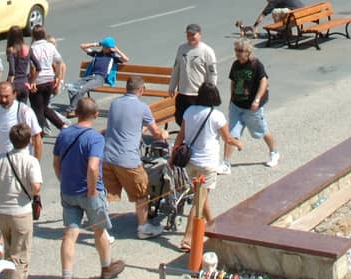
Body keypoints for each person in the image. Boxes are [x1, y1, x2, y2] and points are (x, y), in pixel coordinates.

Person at [53, 96, 124, 279]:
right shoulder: (95, 138)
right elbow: (93, 167)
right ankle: (106, 267)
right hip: (90, 192)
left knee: (70, 233)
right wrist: (92, 190)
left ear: (76, 113)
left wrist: (63, 181)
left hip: (68, 192)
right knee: (99, 229)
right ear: (95, 114)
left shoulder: (64, 134)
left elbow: (56, 164)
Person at [175, 86, 241, 248]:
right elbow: (227, 139)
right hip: (207, 164)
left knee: (201, 195)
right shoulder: (217, 116)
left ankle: (212, 225)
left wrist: (172, 156)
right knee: (199, 201)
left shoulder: (189, 112)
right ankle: (187, 238)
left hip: (190, 162)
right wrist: (238, 143)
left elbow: (180, 136)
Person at [0, 122, 41, 279]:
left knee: (9, 249)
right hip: (21, 211)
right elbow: (35, 186)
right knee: (20, 253)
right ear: (29, 141)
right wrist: (35, 195)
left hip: (1, 210)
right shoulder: (31, 161)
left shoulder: (1, 158)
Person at [103, 74, 167, 237]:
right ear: (141, 90)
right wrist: (163, 133)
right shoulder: (142, 107)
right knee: (142, 191)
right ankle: (143, 227)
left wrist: (140, 130)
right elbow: (156, 132)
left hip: (108, 156)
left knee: (108, 194)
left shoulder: (115, 104)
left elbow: (122, 127)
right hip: (127, 159)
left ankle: (101, 228)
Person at [227, 40, 278, 168]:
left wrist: (257, 100)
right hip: (236, 105)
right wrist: (231, 99)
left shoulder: (256, 65)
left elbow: (264, 82)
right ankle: (225, 163)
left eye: (240, 51)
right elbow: (233, 82)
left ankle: (274, 152)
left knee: (262, 131)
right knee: (232, 134)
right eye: (236, 50)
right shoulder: (235, 64)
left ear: (248, 52)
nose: (237, 54)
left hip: (252, 107)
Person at [168, 23, 217, 125]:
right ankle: (185, 138)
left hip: (198, 94)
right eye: (188, 35)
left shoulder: (207, 51)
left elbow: (212, 73)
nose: (190, 37)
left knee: (197, 122)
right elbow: (176, 68)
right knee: (180, 119)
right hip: (183, 92)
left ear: (200, 35)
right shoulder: (181, 48)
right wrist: (172, 86)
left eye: (193, 35)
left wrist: (211, 92)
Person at [29, 25, 67, 134]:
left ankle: (39, 132)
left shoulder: (33, 48)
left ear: (33, 36)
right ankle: (62, 126)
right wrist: (57, 77)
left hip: (38, 81)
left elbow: (33, 67)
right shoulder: (50, 46)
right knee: (45, 107)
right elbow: (59, 61)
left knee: (38, 109)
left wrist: (32, 81)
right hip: (49, 80)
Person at [5, 26, 35, 103]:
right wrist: (32, 81)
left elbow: (12, 71)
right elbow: (37, 66)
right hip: (25, 84)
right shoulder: (28, 49)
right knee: (23, 109)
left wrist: (8, 82)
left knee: (13, 110)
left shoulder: (11, 50)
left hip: (15, 84)